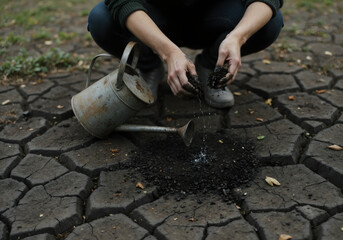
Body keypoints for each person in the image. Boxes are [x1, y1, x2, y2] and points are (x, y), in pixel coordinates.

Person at [87, 0, 283, 108]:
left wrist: (238, 37)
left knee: (269, 22)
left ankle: (210, 65)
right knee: (101, 19)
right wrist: (169, 52)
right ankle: (148, 66)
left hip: (216, 18)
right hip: (155, 21)